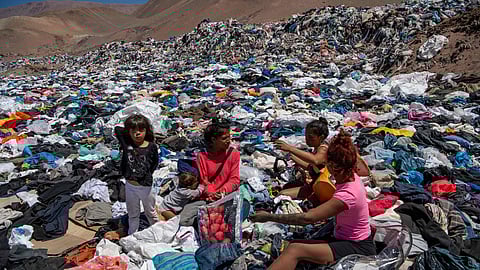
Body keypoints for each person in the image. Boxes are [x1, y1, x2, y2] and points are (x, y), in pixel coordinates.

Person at [251, 129, 375, 269]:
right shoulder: (350, 176)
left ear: (332, 166)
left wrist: (268, 216)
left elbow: (307, 218)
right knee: (292, 244)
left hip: (357, 246)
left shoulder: (348, 194)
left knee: (295, 249)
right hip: (344, 236)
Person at [275, 117, 370, 201]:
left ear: (321, 137)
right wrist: (292, 157)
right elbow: (311, 167)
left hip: (322, 189)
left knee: (282, 195)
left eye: (311, 137)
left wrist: (290, 148)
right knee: (284, 190)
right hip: (315, 186)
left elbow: (315, 160)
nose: (307, 139)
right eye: (306, 136)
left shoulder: (323, 148)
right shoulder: (317, 148)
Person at [114, 114, 159, 235]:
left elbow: (155, 163)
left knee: (150, 212)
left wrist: (144, 174)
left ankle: (158, 233)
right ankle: (131, 236)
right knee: (133, 214)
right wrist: (131, 124)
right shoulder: (127, 145)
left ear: (146, 131)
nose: (137, 133)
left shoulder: (151, 147)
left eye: (141, 130)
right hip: (130, 185)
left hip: (145, 186)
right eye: (133, 131)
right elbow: (117, 129)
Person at [196, 117, 240, 202]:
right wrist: (212, 194)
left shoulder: (233, 153)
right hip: (208, 196)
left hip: (228, 194)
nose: (228, 141)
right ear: (213, 140)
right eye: (224, 138)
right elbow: (204, 181)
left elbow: (234, 179)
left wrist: (222, 192)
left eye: (229, 137)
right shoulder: (202, 156)